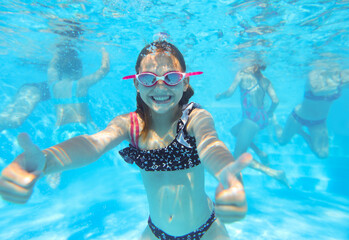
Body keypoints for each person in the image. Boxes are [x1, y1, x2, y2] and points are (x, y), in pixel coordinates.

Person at [0, 40, 252, 240]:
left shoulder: (195, 118)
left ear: (185, 82)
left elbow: (211, 145)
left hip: (206, 232)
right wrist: (46, 161)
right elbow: (93, 144)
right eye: (148, 79)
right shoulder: (130, 124)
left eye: (172, 78)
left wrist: (227, 174)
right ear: (136, 84)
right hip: (156, 233)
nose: (160, 86)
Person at [216, 64, 289, 187]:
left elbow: (229, 93)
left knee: (238, 156)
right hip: (261, 118)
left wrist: (220, 96)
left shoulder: (242, 74)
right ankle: (260, 152)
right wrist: (269, 113)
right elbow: (276, 101)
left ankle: (275, 173)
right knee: (234, 131)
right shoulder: (266, 80)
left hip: (250, 119)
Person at [272, 67, 349, 159]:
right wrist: (339, 84)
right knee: (282, 141)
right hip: (299, 117)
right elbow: (316, 90)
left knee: (322, 154)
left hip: (319, 122)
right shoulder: (315, 72)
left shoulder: (341, 75)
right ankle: (274, 120)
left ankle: (301, 132)